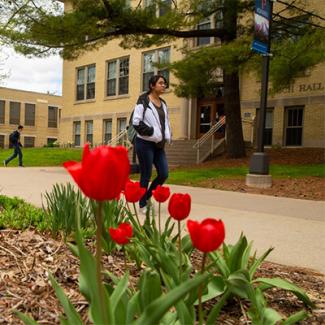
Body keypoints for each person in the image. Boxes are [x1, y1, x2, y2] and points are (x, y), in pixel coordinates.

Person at [132, 75, 172, 213]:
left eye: (164, 83)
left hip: (158, 145)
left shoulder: (164, 103)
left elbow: (165, 122)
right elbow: (136, 122)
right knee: (146, 174)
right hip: (144, 143)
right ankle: (143, 205)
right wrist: (152, 132)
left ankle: (147, 197)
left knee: (163, 173)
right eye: (161, 83)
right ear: (152, 85)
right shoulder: (143, 100)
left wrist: (167, 135)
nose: (164, 85)